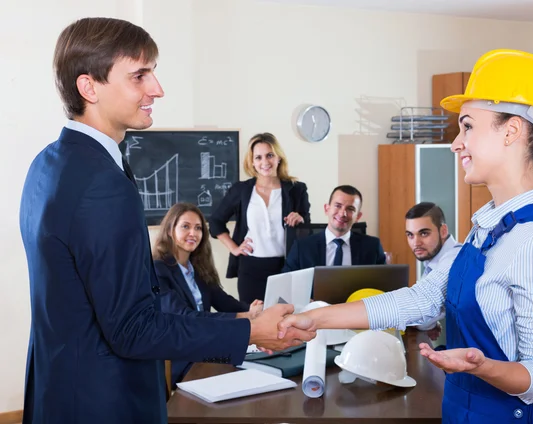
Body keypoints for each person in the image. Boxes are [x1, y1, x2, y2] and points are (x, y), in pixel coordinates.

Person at [19, 18, 313, 424]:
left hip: (60, 390)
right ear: (89, 87)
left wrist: (239, 318)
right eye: (140, 75)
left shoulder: (47, 164)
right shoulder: (101, 184)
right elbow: (132, 329)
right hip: (103, 401)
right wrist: (249, 333)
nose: (157, 89)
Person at [278, 49, 533, 423]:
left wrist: (482, 366)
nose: (457, 142)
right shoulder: (487, 229)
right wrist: (318, 318)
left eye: (468, 126)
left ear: (512, 131)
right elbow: (423, 299)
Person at [153, 202, 264, 387]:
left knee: (256, 366)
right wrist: (245, 316)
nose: (193, 233)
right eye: (185, 226)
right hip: (181, 357)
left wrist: (257, 310)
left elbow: (226, 302)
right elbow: (185, 317)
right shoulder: (158, 270)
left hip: (206, 346)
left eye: (198, 228)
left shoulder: (198, 269)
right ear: (170, 230)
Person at [209, 132, 310, 303]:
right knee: (255, 322)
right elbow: (216, 221)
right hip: (251, 269)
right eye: (258, 157)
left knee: (286, 320)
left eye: (270, 155)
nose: (265, 162)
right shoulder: (241, 190)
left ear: (278, 157)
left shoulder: (296, 189)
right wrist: (234, 248)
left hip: (287, 267)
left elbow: (308, 229)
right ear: (252, 163)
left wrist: (301, 220)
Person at [282, 185, 385, 272]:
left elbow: (384, 286)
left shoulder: (372, 247)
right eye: (338, 206)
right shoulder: (302, 248)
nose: (342, 213)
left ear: (358, 216)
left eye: (350, 209)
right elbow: (286, 285)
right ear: (327, 209)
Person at [405, 202, 461, 342]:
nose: (416, 243)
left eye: (424, 233)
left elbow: (419, 314)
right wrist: (430, 322)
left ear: (443, 231)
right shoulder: (433, 261)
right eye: (410, 235)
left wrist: (427, 322)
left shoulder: (455, 259)